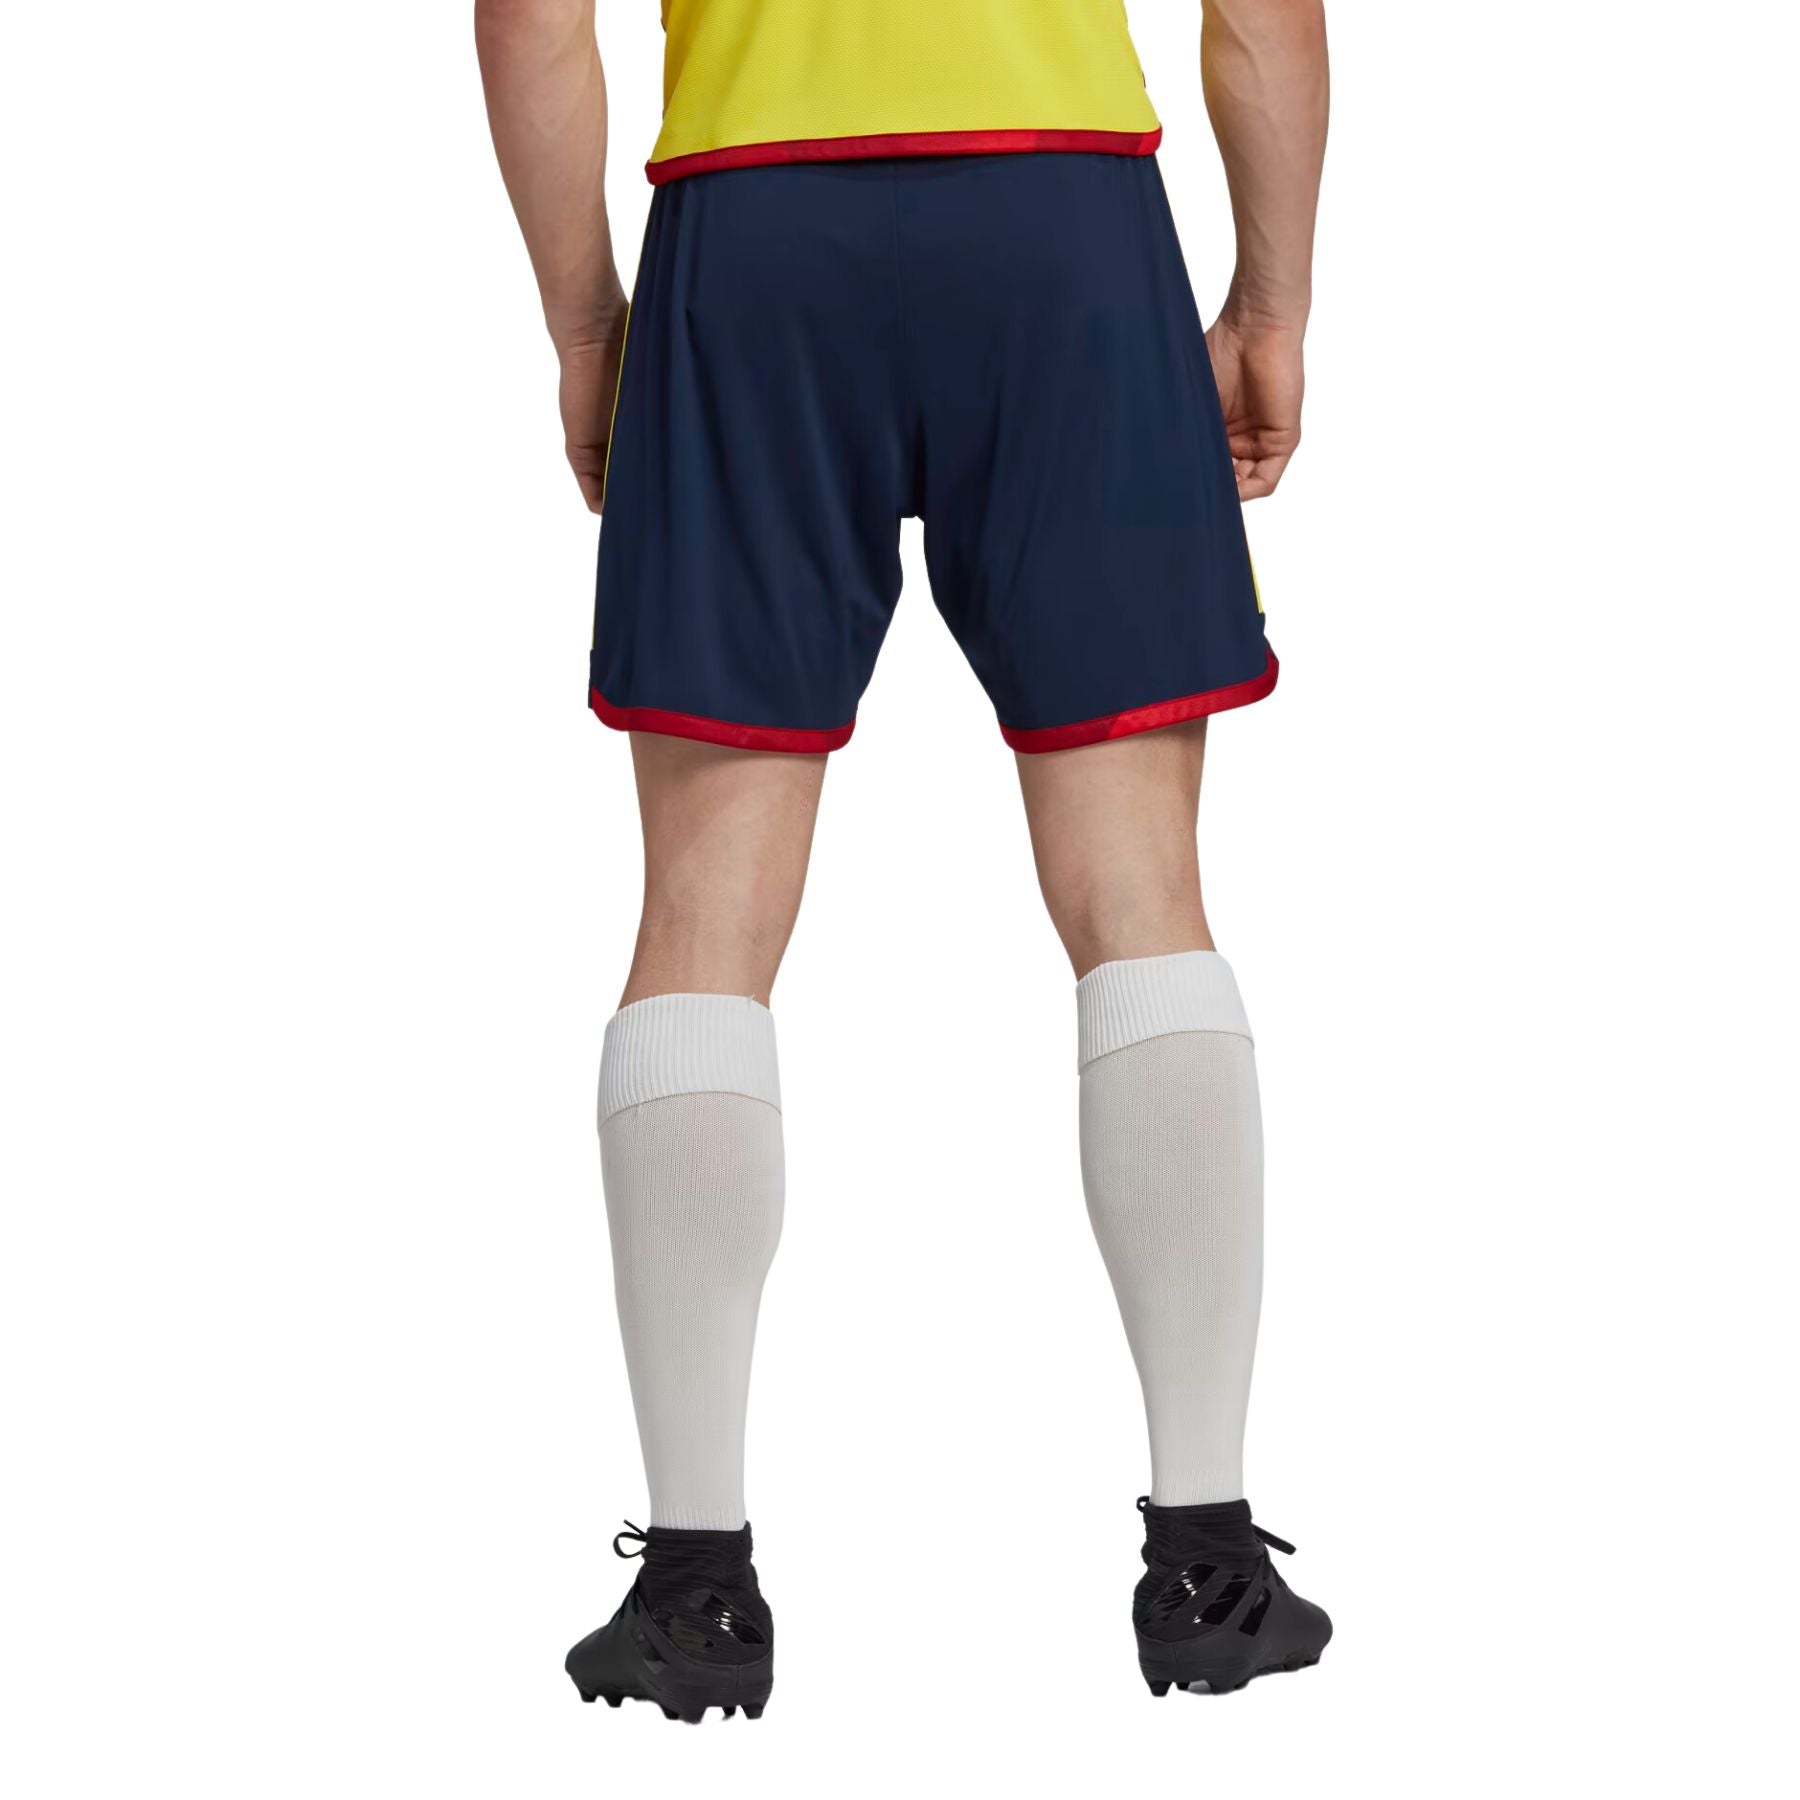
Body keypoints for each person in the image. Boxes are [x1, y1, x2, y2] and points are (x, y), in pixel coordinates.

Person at [477, 0, 1330, 1721]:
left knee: (705, 916)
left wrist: (585, 326)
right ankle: (1207, 1562)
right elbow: (1260, 16)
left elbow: (531, 16)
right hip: (1063, 215)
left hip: (752, 224)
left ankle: (697, 1591)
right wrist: (1270, 307)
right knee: (1140, 896)